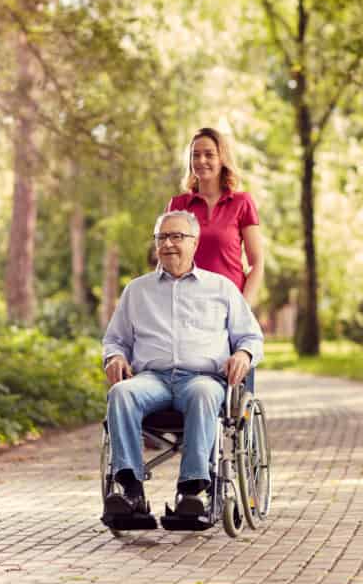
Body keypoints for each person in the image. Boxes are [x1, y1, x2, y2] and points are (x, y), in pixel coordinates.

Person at [102, 210, 263, 525]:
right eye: (162, 237)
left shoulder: (221, 288)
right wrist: (114, 357)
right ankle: (131, 492)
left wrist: (243, 353)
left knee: (203, 393)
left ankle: (192, 493)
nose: (168, 244)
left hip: (201, 379)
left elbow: (251, 336)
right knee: (121, 393)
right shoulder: (137, 290)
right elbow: (115, 340)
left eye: (177, 237)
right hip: (153, 380)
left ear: (195, 242)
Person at [166, 127, 264, 306]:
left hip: (229, 305)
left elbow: (257, 262)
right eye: (195, 155)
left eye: (209, 154)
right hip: (186, 304)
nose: (201, 160)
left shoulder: (242, 202)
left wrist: (243, 307)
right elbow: (166, 258)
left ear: (222, 159)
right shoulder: (177, 205)